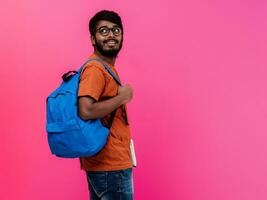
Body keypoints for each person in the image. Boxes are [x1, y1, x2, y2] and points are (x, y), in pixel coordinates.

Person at [78, 10, 134, 200]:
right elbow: (85, 110)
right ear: (93, 38)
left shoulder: (106, 68)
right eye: (104, 31)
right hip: (110, 167)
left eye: (116, 30)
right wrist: (122, 97)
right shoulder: (95, 68)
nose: (111, 35)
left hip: (108, 165)